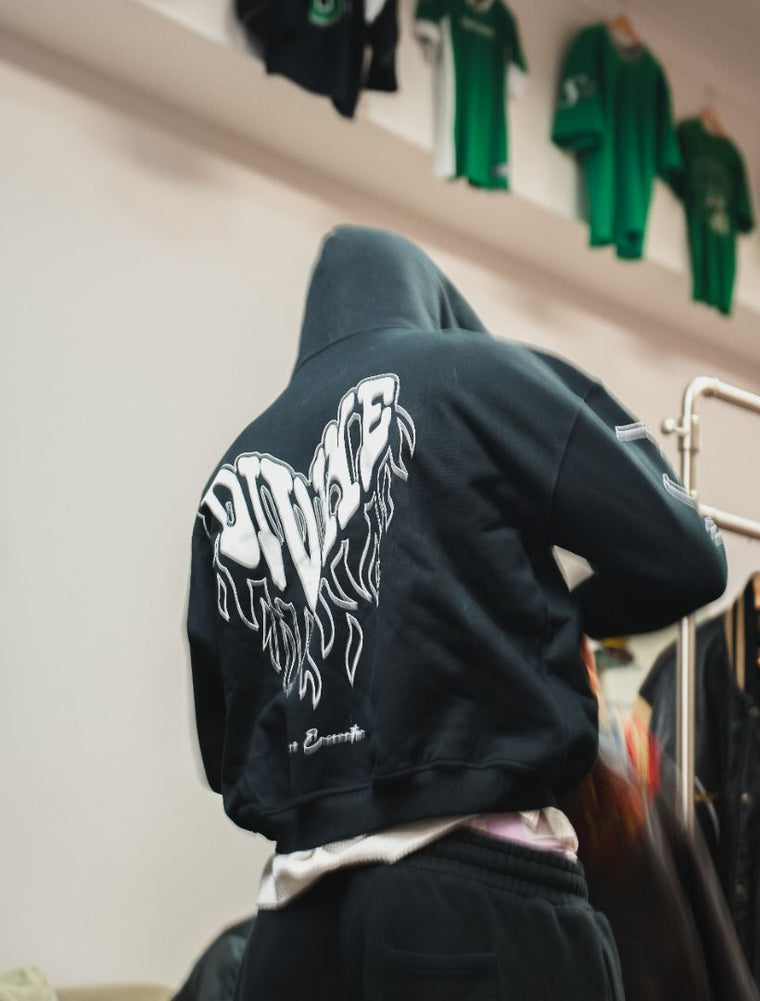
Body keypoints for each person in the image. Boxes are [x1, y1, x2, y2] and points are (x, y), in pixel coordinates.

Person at [186, 226, 727, 1000]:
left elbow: (223, 753)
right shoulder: (482, 375)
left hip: (291, 926)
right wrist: (562, 615)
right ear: (429, 301)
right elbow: (689, 555)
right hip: (475, 905)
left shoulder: (228, 475)